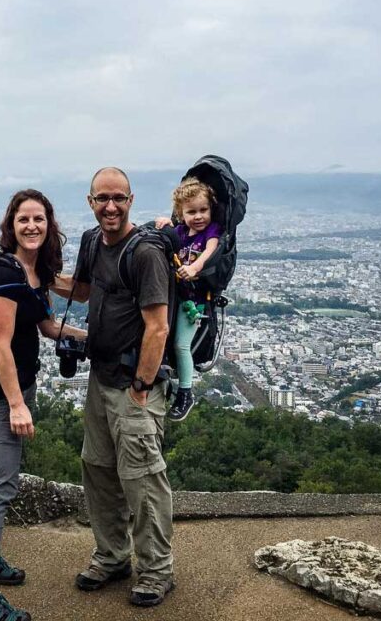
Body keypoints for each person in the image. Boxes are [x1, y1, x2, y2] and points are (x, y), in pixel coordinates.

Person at [53, 167, 175, 608]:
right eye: (102, 198)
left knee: (142, 480)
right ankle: (112, 556)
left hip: (133, 386)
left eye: (118, 198)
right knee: (99, 470)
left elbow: (157, 328)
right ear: (90, 201)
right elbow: (82, 291)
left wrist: (142, 385)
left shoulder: (144, 254)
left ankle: (157, 570)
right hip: (99, 377)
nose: (110, 206)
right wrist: (31, 271)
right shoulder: (91, 242)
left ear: (131, 200)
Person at [0, 189, 84, 621]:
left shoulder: (32, 270)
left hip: (15, 389)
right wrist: (16, 404)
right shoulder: (2, 270)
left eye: (39, 219)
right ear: (10, 225)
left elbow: (47, 325)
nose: (32, 226)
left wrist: (96, 339)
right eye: (23, 219)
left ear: (49, 224)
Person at [155, 177, 222, 421]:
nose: (198, 216)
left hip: (193, 303)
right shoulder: (181, 232)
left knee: (181, 344)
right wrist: (165, 224)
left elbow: (210, 251)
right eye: (191, 211)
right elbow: (170, 236)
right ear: (181, 214)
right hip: (175, 298)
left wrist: (195, 268)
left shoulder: (212, 231)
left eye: (203, 210)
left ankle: (186, 392)